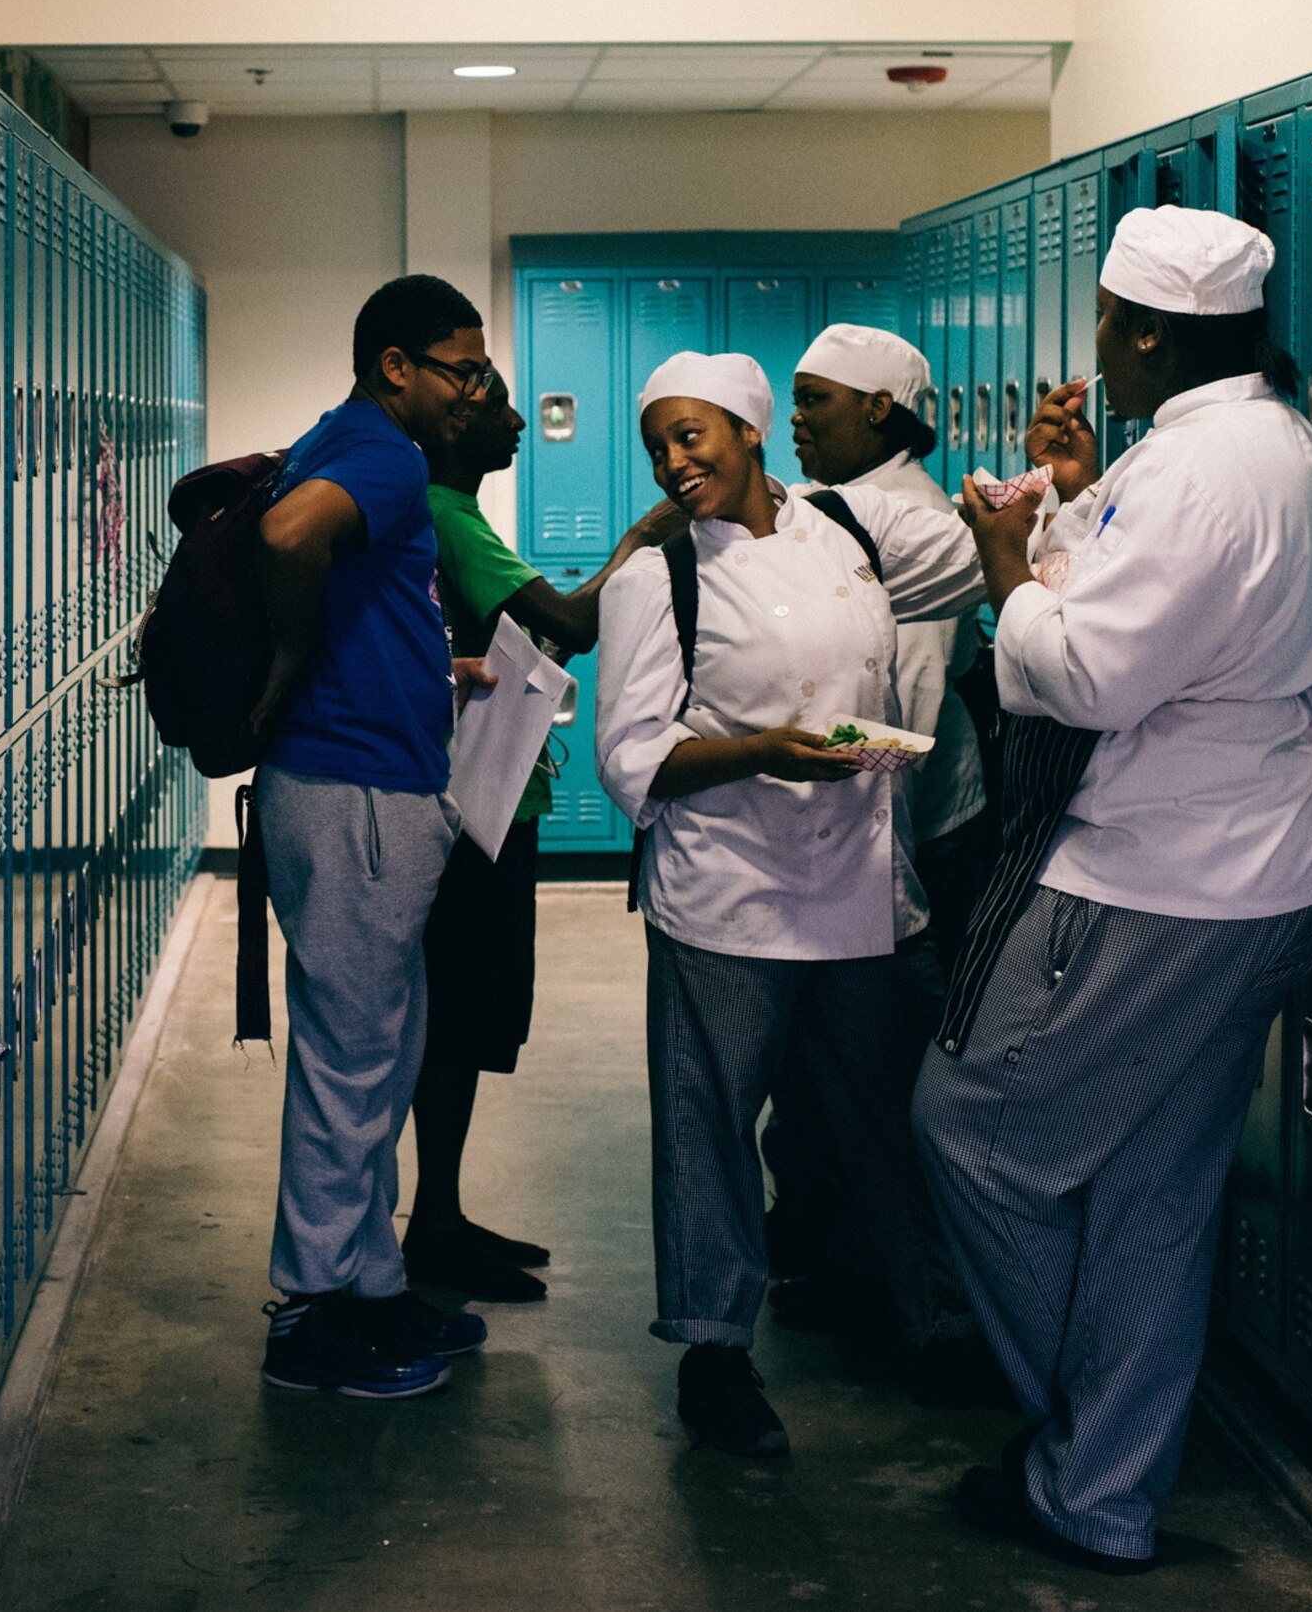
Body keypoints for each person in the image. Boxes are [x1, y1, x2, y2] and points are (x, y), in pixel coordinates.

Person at [913, 207, 1312, 1574]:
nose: (1096, 345)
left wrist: (1006, 564)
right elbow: (1157, 600)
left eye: (1108, 322)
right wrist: (1074, 493)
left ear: (1152, 333)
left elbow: (1088, 670)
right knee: (1152, 1188)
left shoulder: (1196, 475)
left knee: (973, 1132)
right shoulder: (1274, 446)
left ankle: (1091, 1431)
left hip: (1161, 880)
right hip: (1279, 865)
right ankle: (1099, 1494)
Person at [593, 351, 984, 1457]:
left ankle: (935, 1322)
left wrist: (1059, 487)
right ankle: (714, 1355)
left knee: (893, 1112)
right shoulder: (657, 576)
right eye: (658, 445)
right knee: (710, 1126)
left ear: (750, 429)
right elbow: (630, 756)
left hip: (861, 886)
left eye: (692, 436)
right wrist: (762, 751)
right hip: (727, 896)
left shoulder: (847, 531)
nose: (674, 463)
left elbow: (980, 560)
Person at [249, 273, 505, 1400]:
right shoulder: (388, 456)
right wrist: (292, 653)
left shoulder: (348, 437)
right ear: (397, 365)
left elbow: (360, 594)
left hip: (363, 779)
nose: (475, 392)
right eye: (463, 371)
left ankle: (372, 1281)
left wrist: (429, 667)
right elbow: (288, 536)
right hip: (353, 792)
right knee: (350, 1062)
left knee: (382, 1051)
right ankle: (313, 1315)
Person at [759, 326, 1000, 1393]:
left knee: (886, 1075)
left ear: (879, 411)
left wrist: (768, 748)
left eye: (816, 400)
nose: (796, 419)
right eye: (794, 399)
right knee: (823, 1075)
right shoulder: (837, 510)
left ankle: (914, 1301)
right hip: (869, 837)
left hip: (917, 845)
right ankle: (828, 1256)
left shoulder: (903, 527)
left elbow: (907, 725)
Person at [408, 386, 675, 1302]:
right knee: (456, 1021)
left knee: (467, 1018)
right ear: (455, 423)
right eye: (498, 408)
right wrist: (642, 540)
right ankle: (433, 1230)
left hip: (490, 798)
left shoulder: (452, 510)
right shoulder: (449, 514)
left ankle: (442, 1216)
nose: (518, 423)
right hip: (477, 808)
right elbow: (572, 623)